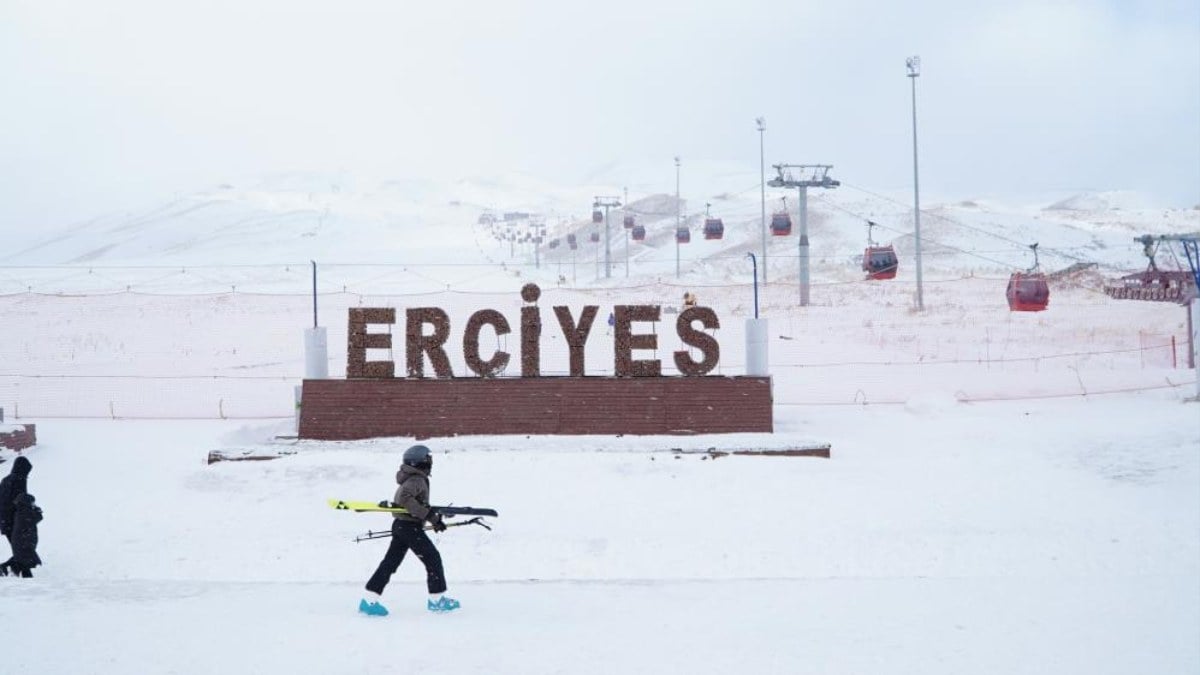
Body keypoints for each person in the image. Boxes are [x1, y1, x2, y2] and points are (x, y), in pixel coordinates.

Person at [359, 444, 460, 616]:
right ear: (419, 461)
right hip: (409, 527)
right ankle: (437, 600)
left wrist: (434, 518)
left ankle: (369, 600)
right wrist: (432, 518)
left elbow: (416, 503)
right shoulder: (416, 480)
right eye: (428, 459)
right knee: (433, 559)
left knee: (390, 563)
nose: (430, 462)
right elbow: (404, 500)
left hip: (402, 525)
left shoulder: (413, 478)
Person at [0, 456, 32, 574]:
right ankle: (23, 574)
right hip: (14, 521)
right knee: (22, 549)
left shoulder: (7, 480)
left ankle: (16, 570)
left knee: (20, 549)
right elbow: (19, 502)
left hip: (8, 521)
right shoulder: (18, 480)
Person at [3, 492, 41, 578]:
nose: (34, 504)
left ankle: (7, 569)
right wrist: (37, 510)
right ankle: (5, 569)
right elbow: (36, 518)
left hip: (23, 542)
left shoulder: (22, 511)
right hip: (23, 543)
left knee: (22, 561)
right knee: (27, 561)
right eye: (32, 502)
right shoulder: (24, 512)